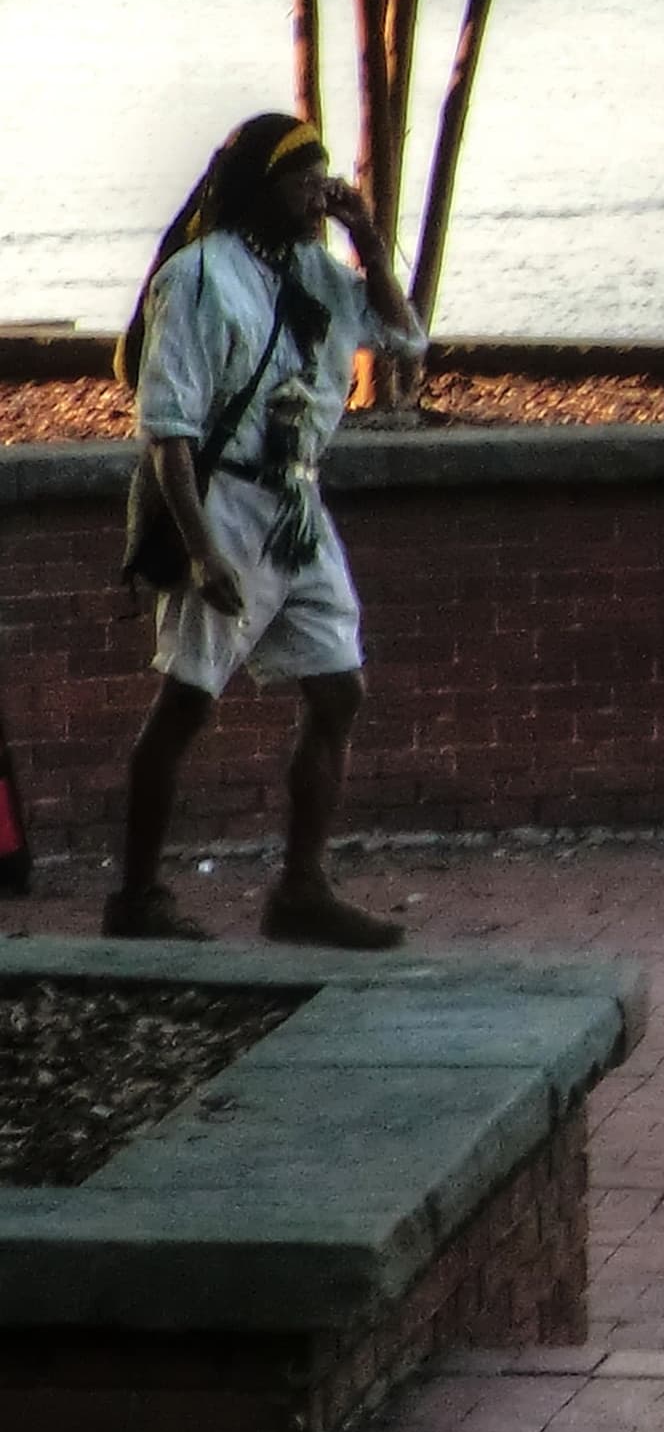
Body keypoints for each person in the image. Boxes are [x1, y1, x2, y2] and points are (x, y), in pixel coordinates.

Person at [110, 111, 426, 949]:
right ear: (258, 187)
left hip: (296, 508)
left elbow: (402, 333)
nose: (316, 195)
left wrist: (365, 233)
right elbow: (168, 430)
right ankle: (136, 897)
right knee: (184, 703)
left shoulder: (318, 270)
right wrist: (203, 550)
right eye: (301, 181)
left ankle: (301, 890)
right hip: (226, 505)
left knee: (338, 687)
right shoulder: (200, 276)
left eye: (322, 179)